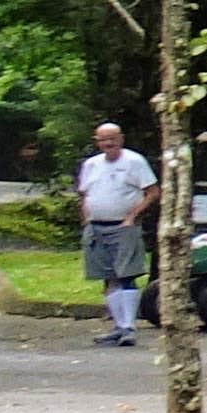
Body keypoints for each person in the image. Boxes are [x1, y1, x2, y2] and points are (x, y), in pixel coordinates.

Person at [72, 122, 159, 345]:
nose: (108, 143)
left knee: (126, 275)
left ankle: (129, 327)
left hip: (124, 227)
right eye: (103, 139)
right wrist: (86, 220)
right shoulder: (91, 164)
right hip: (96, 227)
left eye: (112, 138)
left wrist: (132, 216)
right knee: (108, 276)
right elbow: (84, 194)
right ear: (97, 142)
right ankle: (118, 326)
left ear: (121, 139)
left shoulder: (134, 161)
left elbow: (152, 192)